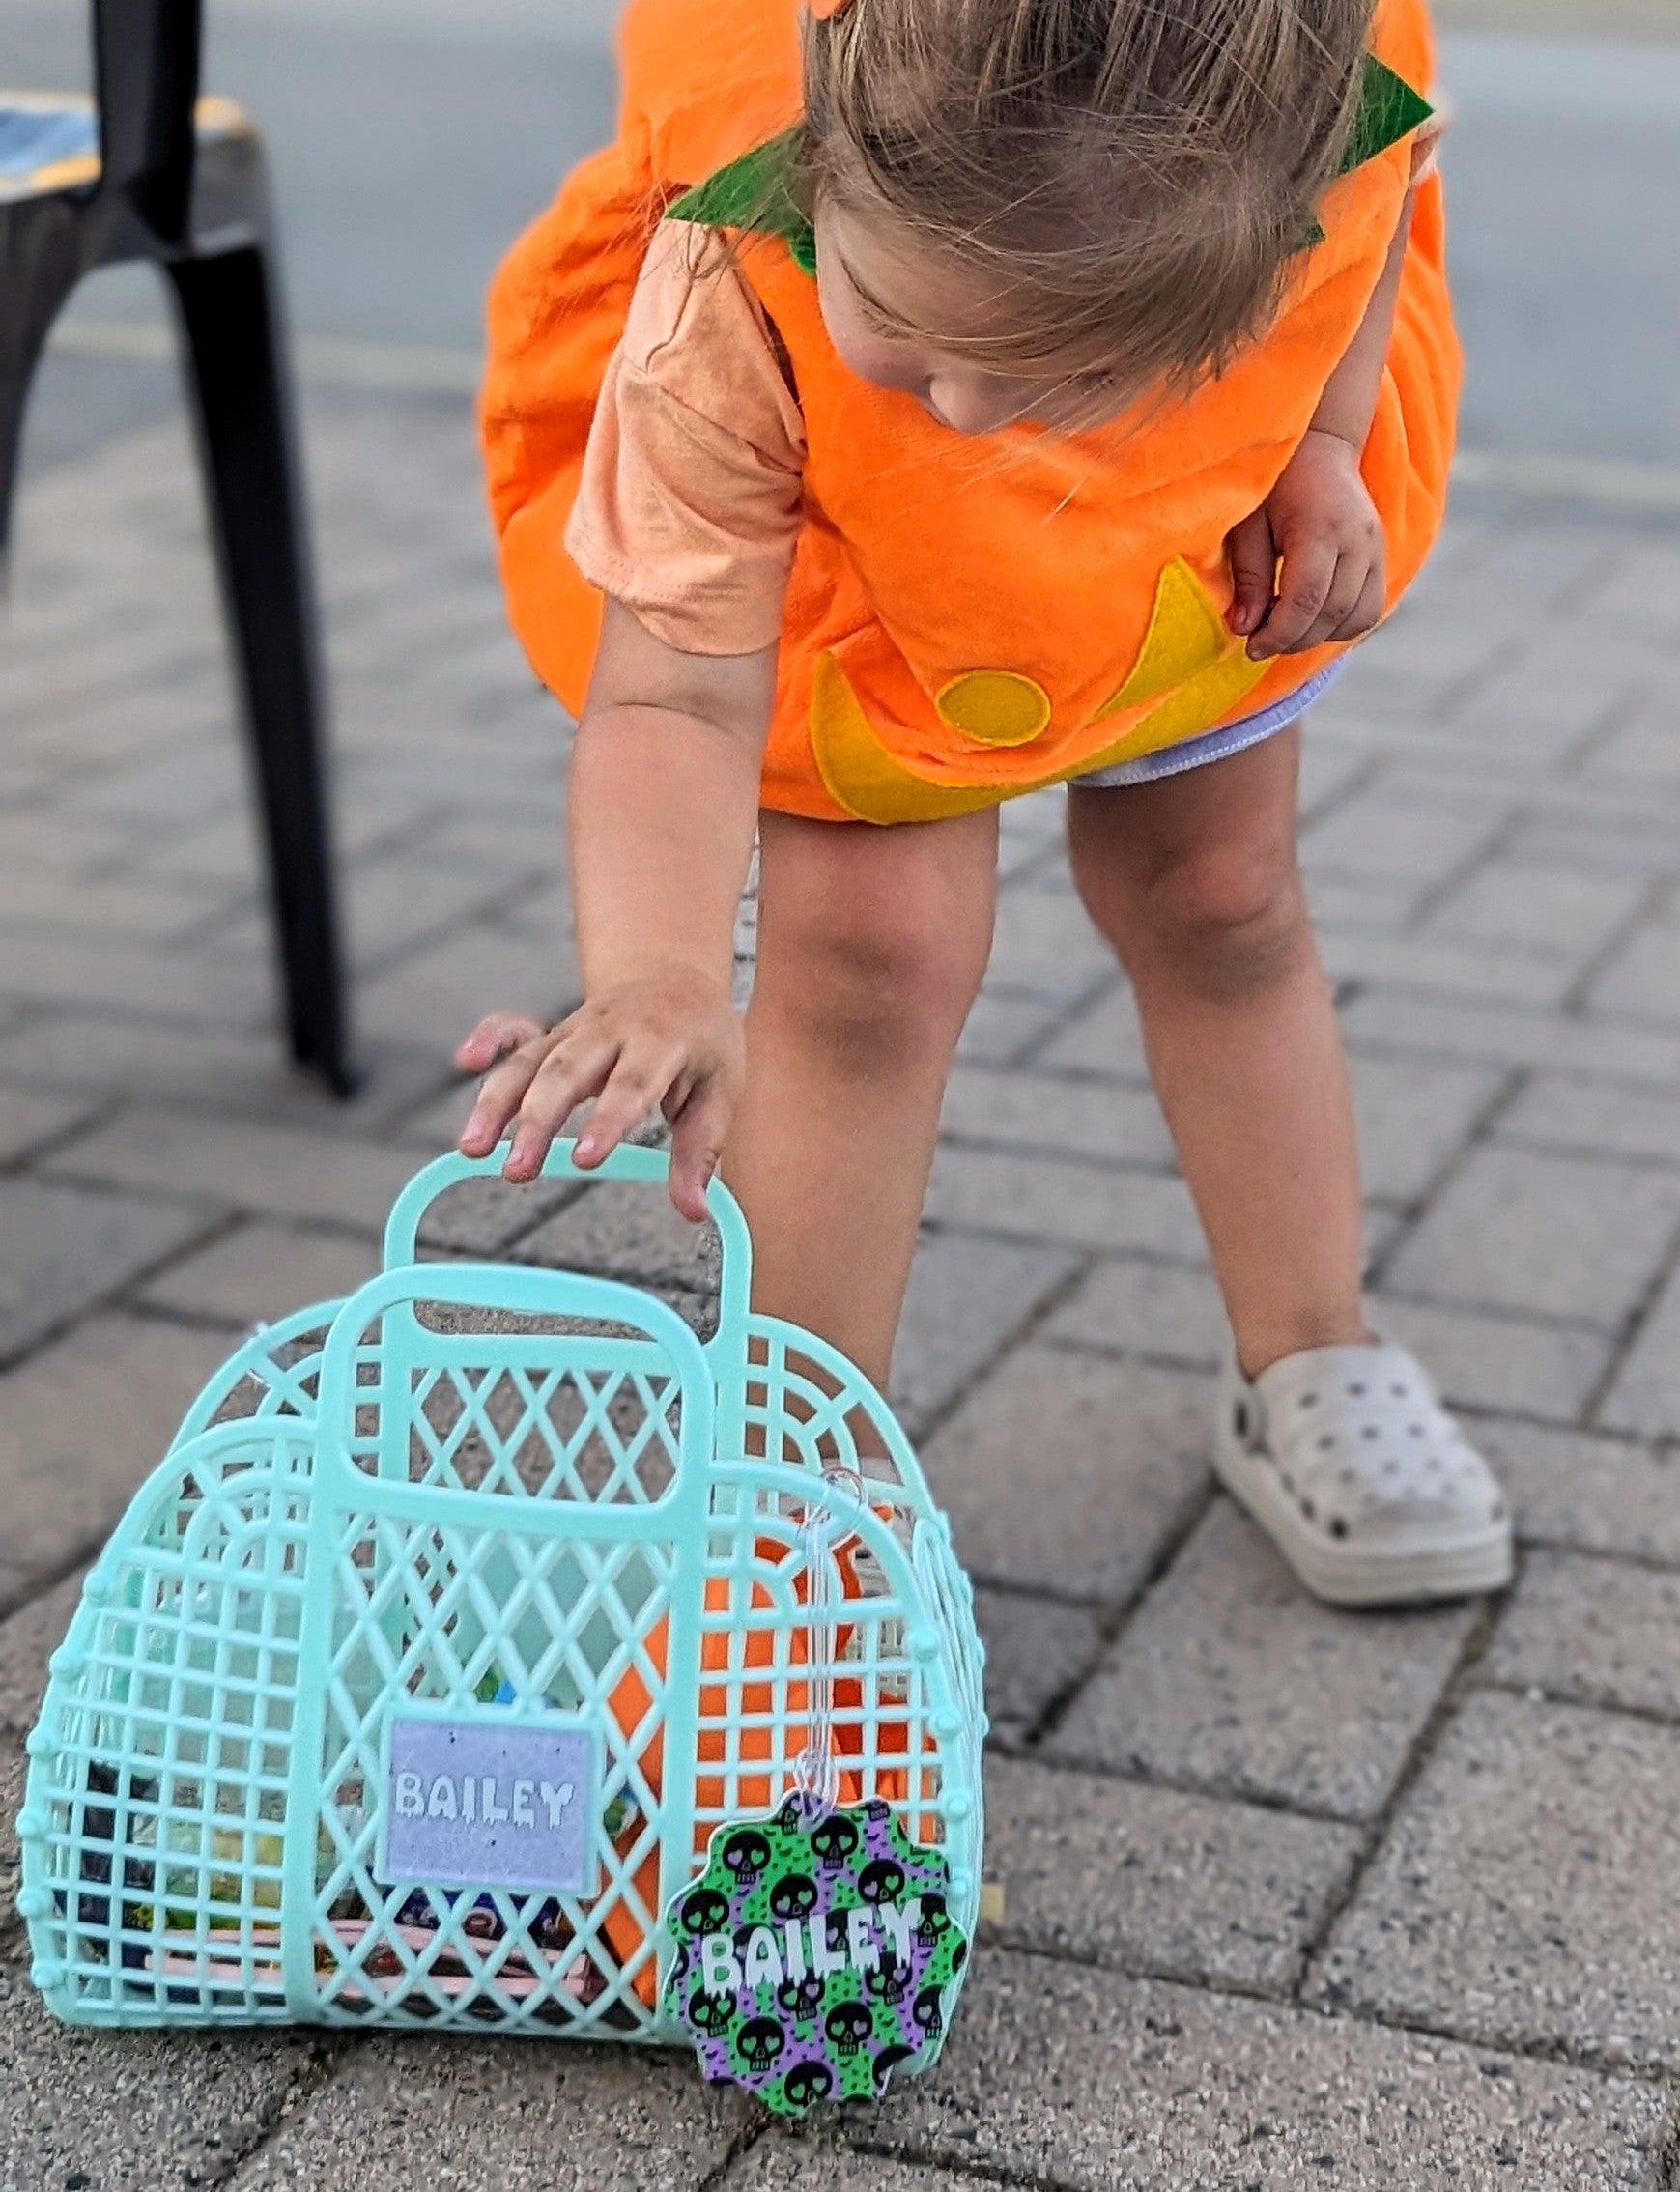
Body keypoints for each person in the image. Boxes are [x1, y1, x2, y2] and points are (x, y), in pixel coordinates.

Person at [459, 0, 1511, 1608]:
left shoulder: (1295, 146)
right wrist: (661, 968)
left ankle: (1310, 1348)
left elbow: (1370, 218)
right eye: (901, 323)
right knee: (865, 955)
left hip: (1188, 542)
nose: (955, 412)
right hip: (860, 596)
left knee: (1221, 900)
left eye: (1049, 369)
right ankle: (795, 1505)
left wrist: (1325, 437)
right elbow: (670, 694)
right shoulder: (734, 281)